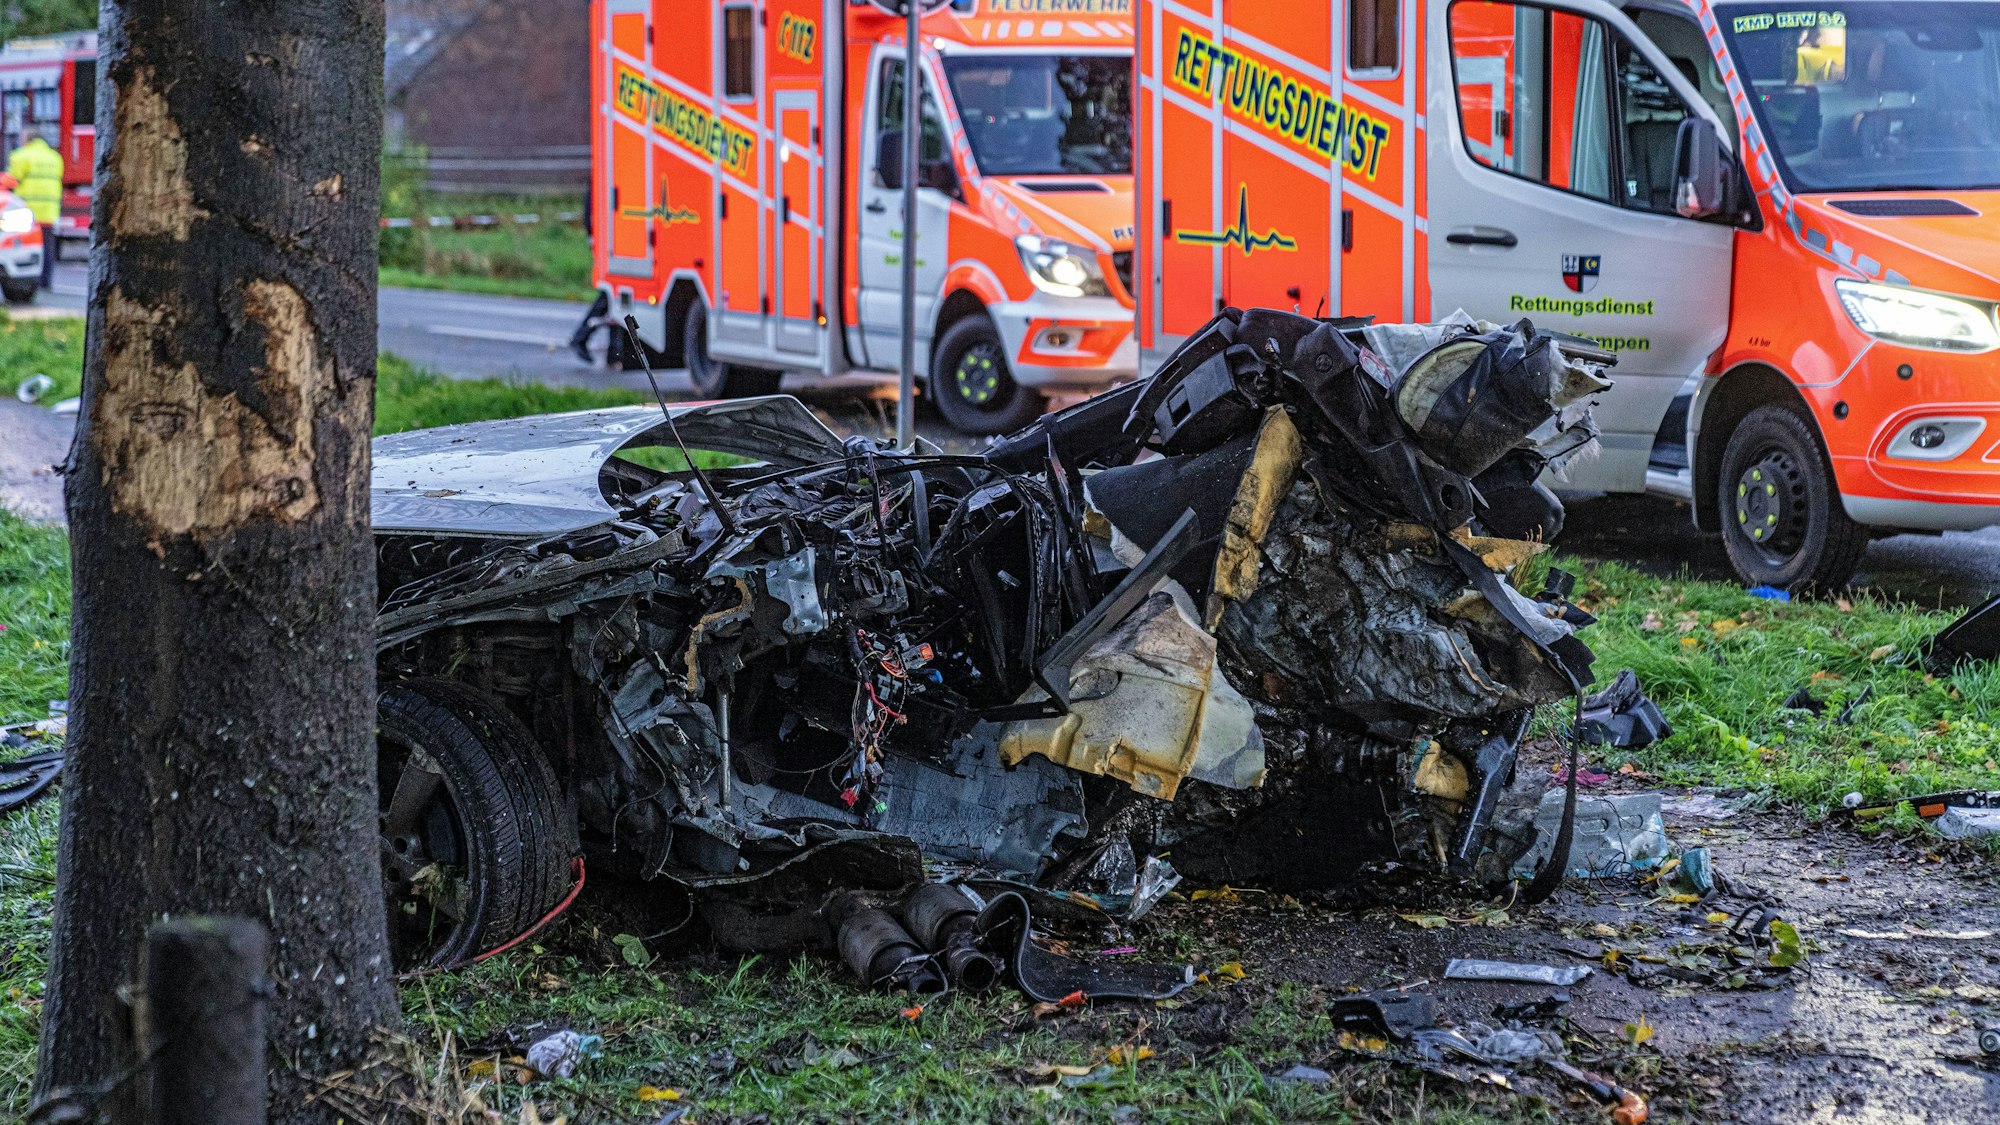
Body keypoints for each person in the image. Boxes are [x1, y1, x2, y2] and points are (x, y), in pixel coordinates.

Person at [7, 130, 62, 291]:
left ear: (27, 140)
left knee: (23, 245)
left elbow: (11, 180)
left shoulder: (21, 156)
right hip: (49, 210)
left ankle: (27, 280)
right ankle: (46, 280)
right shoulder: (55, 157)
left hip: (26, 210)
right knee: (47, 245)